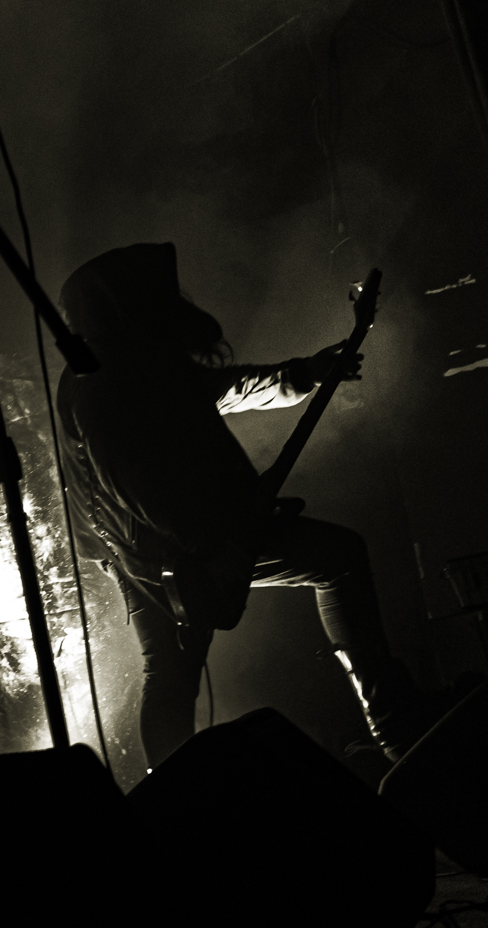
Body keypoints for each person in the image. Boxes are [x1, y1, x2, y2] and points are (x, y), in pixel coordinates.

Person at [55, 242, 437, 768]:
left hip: (180, 543)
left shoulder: (137, 362)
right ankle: (398, 732)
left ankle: (396, 733)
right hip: (163, 552)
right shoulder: (102, 376)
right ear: (128, 303)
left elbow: (226, 387)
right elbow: (129, 479)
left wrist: (303, 373)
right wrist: (213, 548)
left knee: (173, 671)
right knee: (177, 667)